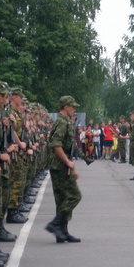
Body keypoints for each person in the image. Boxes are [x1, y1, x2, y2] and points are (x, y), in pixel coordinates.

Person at [45, 96, 82, 243]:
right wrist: (67, 161)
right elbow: (56, 144)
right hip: (59, 165)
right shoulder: (61, 122)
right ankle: (56, 224)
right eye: (72, 107)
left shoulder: (64, 121)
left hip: (61, 165)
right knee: (74, 196)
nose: (74, 109)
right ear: (66, 107)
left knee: (63, 199)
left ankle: (62, 231)